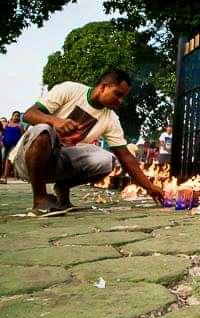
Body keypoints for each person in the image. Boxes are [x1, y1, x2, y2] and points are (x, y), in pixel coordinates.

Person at [9, 69, 164, 214]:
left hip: (59, 162)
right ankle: (40, 198)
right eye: (117, 94)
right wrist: (55, 121)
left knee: (108, 160)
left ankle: (63, 187)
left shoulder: (110, 119)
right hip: (27, 161)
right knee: (43, 129)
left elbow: (126, 157)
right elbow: (29, 115)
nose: (120, 101)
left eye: (123, 96)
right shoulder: (70, 90)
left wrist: (149, 187)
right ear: (104, 87)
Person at [1, 111, 24, 182]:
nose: (16, 117)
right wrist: (1, 141)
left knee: (9, 159)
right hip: (5, 144)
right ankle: (4, 175)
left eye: (18, 116)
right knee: (3, 160)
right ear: (12, 116)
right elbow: (3, 134)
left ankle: (5, 177)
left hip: (14, 145)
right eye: (15, 115)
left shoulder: (20, 125)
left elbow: (22, 136)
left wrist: (20, 145)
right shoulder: (7, 124)